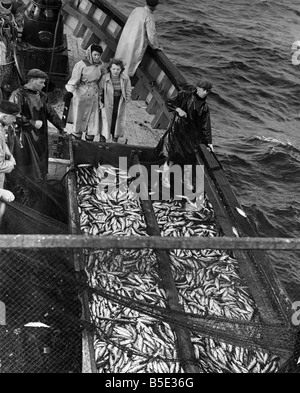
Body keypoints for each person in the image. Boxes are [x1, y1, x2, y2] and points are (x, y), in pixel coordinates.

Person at [154, 80, 213, 207]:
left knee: (189, 157)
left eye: (208, 91)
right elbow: (169, 102)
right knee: (171, 153)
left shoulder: (205, 106)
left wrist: (209, 143)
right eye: (205, 90)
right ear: (198, 88)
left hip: (191, 135)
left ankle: (186, 181)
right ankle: (165, 176)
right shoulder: (184, 95)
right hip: (177, 129)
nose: (206, 93)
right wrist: (178, 109)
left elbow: (205, 126)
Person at [8, 68, 65, 183]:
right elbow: (12, 117)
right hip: (22, 138)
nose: (44, 85)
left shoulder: (43, 96)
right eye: (41, 82)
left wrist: (61, 126)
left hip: (39, 136)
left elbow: (50, 112)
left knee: (39, 164)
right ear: (32, 80)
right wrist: (32, 123)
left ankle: (38, 183)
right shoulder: (18, 95)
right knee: (23, 164)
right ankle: (21, 186)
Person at [65, 44, 106, 141]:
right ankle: (77, 135)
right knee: (80, 115)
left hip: (94, 93)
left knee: (92, 117)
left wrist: (102, 93)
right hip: (82, 92)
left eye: (99, 55)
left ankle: (89, 137)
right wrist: (70, 92)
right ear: (90, 54)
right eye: (95, 54)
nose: (97, 57)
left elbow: (102, 80)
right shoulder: (81, 65)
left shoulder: (100, 66)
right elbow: (74, 79)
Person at [114, 0, 162, 78]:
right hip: (135, 43)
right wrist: (157, 46)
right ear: (155, 6)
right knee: (127, 67)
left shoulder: (137, 9)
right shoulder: (149, 16)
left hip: (126, 39)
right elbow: (151, 37)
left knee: (119, 61)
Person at [99, 58, 131, 143]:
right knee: (105, 120)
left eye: (118, 69)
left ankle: (115, 139)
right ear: (110, 68)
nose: (115, 71)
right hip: (107, 101)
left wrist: (126, 100)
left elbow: (128, 90)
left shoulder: (125, 78)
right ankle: (102, 139)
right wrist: (100, 102)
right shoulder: (104, 78)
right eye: (113, 69)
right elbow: (99, 91)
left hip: (118, 101)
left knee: (116, 119)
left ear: (121, 70)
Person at [0, 99, 17, 190]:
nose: (14, 120)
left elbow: (2, 143)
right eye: (13, 118)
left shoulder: (1, 126)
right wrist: (11, 164)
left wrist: (9, 154)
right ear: (5, 117)